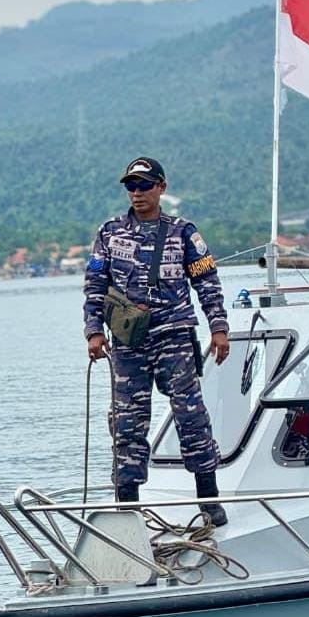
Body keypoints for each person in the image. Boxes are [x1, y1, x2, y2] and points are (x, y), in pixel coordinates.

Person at [83, 157, 231, 525]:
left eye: (144, 185)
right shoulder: (110, 232)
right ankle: (127, 508)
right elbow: (96, 284)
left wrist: (219, 327)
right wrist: (94, 331)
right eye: (130, 186)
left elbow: (207, 282)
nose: (136, 193)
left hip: (175, 337)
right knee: (127, 424)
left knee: (191, 417)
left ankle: (209, 499)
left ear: (161, 187)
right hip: (128, 344)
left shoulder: (183, 233)